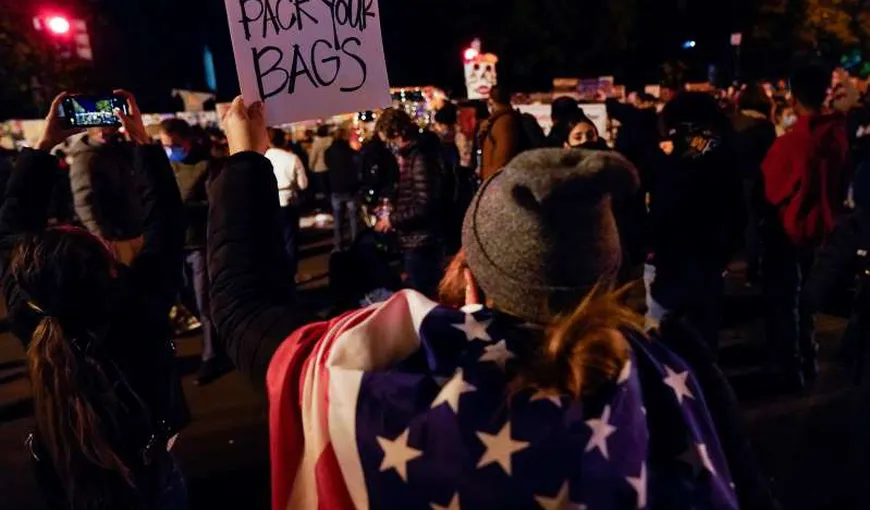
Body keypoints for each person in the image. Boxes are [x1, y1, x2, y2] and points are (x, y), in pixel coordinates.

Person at [206, 97, 772, 510]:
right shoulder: (674, 376)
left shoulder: (383, 384)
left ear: (470, 277)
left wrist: (244, 157)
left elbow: (240, 306)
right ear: (607, 273)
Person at [0, 91, 189, 510]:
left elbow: (11, 227)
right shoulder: (139, 308)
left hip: (67, 483)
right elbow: (168, 221)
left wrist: (45, 147)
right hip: (151, 474)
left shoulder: (33, 315)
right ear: (113, 268)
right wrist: (143, 142)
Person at [762, 61, 854, 390]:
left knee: (789, 303)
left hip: (792, 232)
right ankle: (810, 358)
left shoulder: (792, 143)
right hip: (827, 229)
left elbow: (773, 190)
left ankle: (794, 369)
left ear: (793, 97)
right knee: (808, 301)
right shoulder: (838, 135)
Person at [645, 92, 744, 353]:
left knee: (662, 345)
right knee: (703, 341)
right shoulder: (723, 151)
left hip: (674, 264)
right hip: (709, 260)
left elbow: (664, 211)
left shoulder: (683, 160)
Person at [159, 118, 227, 385]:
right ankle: (219, 337)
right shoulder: (165, 165)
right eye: (166, 146)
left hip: (199, 242)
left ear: (187, 141)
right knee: (184, 298)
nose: (171, 150)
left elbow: (214, 204)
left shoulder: (206, 164)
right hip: (174, 243)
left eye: (174, 145)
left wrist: (183, 206)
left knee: (204, 300)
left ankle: (211, 355)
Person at [374, 109, 444, 298]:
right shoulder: (412, 155)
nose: (391, 147)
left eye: (391, 141)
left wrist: (392, 220)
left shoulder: (419, 157)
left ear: (398, 134)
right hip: (415, 239)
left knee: (422, 297)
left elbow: (423, 204)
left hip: (422, 241)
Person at [68, 126, 145, 265]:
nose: (104, 133)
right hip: (115, 235)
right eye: (99, 129)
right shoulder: (86, 158)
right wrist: (101, 235)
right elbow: (84, 200)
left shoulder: (115, 150)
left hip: (131, 229)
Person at [733, 84, 777, 285]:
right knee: (753, 224)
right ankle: (752, 271)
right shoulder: (765, 127)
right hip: (755, 181)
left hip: (732, 178)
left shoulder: (732, 123)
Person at [265, 127, 308, 276]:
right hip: (289, 201)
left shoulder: (263, 158)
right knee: (290, 240)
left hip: (269, 203)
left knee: (272, 240)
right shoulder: (292, 158)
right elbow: (304, 184)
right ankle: (291, 273)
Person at [325, 127, 360, 251]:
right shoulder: (351, 152)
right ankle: (355, 244)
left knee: (338, 220)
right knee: (353, 219)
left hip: (336, 188)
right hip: (351, 189)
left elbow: (328, 167)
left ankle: (338, 245)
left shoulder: (328, 152)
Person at [478, 86, 521, 180]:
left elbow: (502, 158)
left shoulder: (503, 122)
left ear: (491, 101)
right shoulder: (498, 121)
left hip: (498, 183)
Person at [308, 125, 333, 205]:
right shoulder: (331, 141)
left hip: (319, 168)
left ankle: (328, 205)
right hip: (331, 168)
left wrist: (310, 167)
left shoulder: (317, 143)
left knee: (324, 190)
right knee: (331, 188)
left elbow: (313, 157)